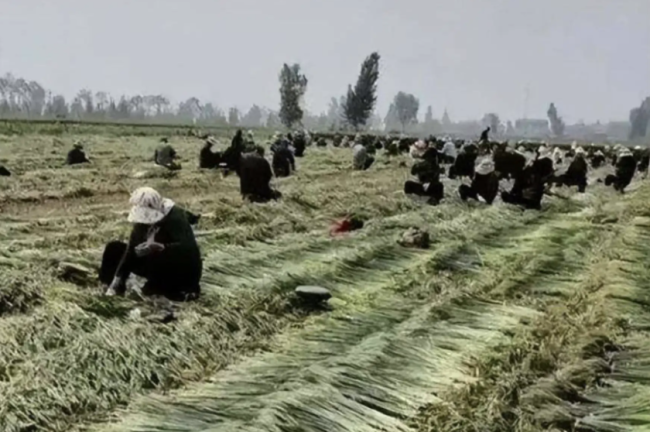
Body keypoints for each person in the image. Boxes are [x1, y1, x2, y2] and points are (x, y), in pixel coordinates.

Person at [100, 187, 202, 301]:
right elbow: (131, 251)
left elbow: (188, 250)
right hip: (154, 261)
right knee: (114, 249)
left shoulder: (175, 218)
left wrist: (161, 248)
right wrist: (117, 280)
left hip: (178, 269)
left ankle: (178, 292)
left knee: (150, 294)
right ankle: (110, 289)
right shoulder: (141, 223)